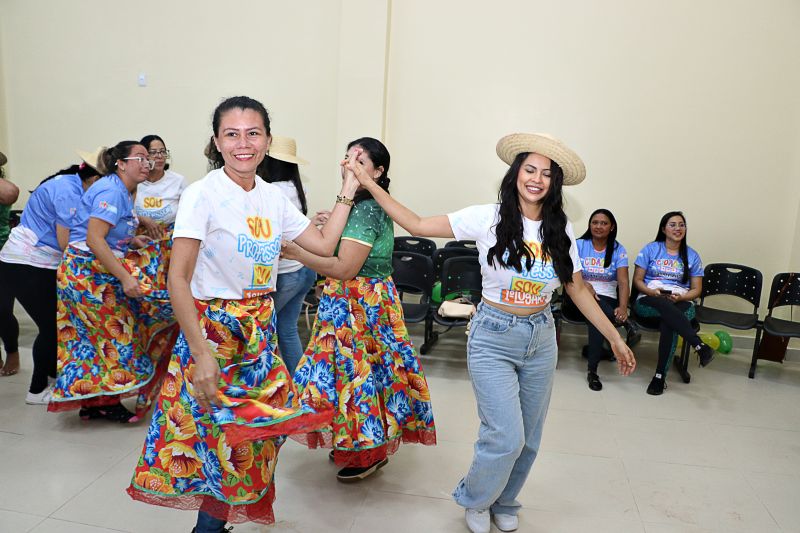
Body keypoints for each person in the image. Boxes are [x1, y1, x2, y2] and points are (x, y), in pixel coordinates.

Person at [344, 132, 636, 533]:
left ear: (555, 184)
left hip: (540, 336)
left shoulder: (560, 230)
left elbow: (578, 288)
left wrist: (615, 337)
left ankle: (506, 499)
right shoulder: (487, 218)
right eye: (529, 169)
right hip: (493, 335)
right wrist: (369, 182)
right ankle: (475, 498)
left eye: (546, 174)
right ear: (516, 173)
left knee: (529, 439)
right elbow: (415, 223)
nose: (536, 179)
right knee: (505, 436)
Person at [127, 96, 361, 531]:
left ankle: (219, 522)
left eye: (253, 133)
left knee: (256, 442)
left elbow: (324, 245)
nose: (243, 144)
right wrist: (200, 354)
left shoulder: (272, 197)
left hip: (259, 335)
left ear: (267, 140)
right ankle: (209, 527)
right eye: (231, 134)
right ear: (216, 142)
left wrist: (348, 188)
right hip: (213, 333)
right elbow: (177, 279)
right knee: (213, 446)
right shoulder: (203, 195)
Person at [281, 137, 437, 483]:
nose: (349, 165)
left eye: (360, 162)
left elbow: (344, 268)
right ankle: (358, 442)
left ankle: (367, 447)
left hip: (361, 305)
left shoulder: (366, 208)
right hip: (346, 302)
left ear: (378, 172)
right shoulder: (355, 205)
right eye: (347, 157)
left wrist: (295, 252)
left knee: (361, 379)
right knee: (351, 379)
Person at [48, 140, 169, 423]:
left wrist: (131, 240)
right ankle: (105, 402)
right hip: (87, 275)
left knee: (93, 341)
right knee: (118, 335)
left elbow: (107, 235)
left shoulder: (123, 191)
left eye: (147, 159)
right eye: (140, 158)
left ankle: (94, 403)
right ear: (121, 163)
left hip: (92, 273)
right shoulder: (111, 190)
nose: (146, 163)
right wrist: (126, 277)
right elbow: (93, 238)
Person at [0, 150, 101, 403]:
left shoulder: (73, 185)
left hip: (39, 262)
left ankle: (54, 378)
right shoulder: (69, 190)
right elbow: (66, 242)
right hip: (26, 262)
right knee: (51, 326)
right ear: (96, 177)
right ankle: (36, 390)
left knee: (56, 322)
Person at [256, 135, 318, 373]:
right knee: (287, 329)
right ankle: (301, 385)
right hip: (304, 269)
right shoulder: (299, 188)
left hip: (284, 274)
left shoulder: (269, 191)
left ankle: (269, 386)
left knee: (262, 331)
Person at [633, 211, 712, 396]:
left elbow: (696, 289)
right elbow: (637, 280)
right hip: (649, 299)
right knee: (666, 309)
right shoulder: (651, 249)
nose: (678, 228)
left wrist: (682, 298)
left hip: (681, 301)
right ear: (663, 229)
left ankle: (659, 377)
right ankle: (699, 345)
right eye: (673, 224)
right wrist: (652, 292)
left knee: (669, 322)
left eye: (682, 225)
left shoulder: (692, 255)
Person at [573, 208, 640, 391]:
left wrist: (623, 307)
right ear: (589, 225)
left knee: (597, 319)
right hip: (577, 298)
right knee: (596, 311)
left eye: (604, 223)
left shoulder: (618, 249)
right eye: (595, 222)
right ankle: (627, 327)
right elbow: (568, 275)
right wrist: (584, 284)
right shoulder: (579, 245)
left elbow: (623, 282)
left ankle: (592, 371)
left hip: (607, 299)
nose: (598, 226)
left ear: (612, 227)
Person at [0, 151, 20, 377]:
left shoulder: (3, 188)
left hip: (2, 254)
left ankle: (12, 352)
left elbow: (10, 193)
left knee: (2, 309)